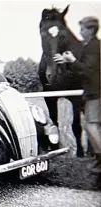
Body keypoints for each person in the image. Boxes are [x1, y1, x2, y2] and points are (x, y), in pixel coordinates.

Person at [53, 16, 101, 188]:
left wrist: (72, 61)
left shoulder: (94, 47)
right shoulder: (90, 46)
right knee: (93, 126)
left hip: (96, 93)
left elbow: (89, 72)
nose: (80, 32)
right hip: (93, 93)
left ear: (90, 30)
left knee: (90, 126)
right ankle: (97, 167)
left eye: (83, 29)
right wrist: (68, 61)